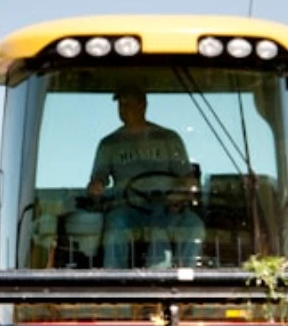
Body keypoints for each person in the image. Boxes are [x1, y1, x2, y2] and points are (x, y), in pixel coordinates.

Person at [86, 85, 204, 268]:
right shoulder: (109, 143)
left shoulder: (168, 138)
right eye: (120, 104)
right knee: (116, 226)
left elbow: (187, 178)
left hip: (167, 208)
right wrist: (96, 186)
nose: (123, 109)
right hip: (128, 209)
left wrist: (179, 195)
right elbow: (98, 179)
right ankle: (114, 284)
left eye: (128, 103)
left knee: (194, 226)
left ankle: (186, 282)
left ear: (143, 105)